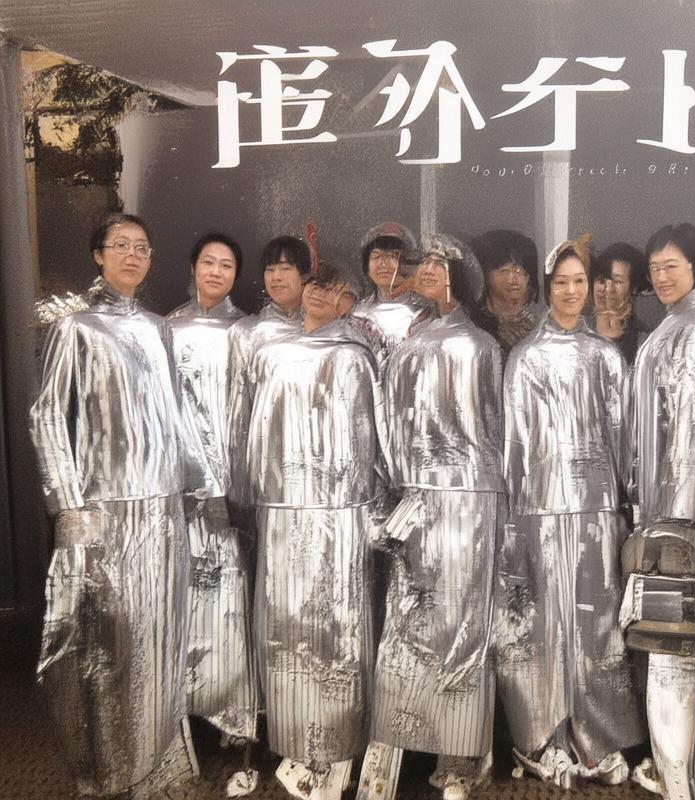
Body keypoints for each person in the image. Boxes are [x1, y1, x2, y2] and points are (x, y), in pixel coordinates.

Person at [29, 211, 216, 797]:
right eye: (121, 245)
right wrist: (68, 506)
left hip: (165, 511)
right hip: (107, 512)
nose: (133, 256)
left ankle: (160, 766)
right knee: (111, 645)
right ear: (98, 254)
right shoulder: (75, 329)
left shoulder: (160, 328)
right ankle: (113, 771)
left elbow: (179, 415)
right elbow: (47, 416)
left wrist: (202, 488)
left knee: (164, 638)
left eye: (142, 247)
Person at [230, 260, 383, 800]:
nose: (322, 293)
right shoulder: (269, 353)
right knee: (286, 626)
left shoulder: (358, 357)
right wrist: (245, 494)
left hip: (341, 513)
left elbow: (375, 440)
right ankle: (294, 742)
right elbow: (248, 431)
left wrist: (373, 509)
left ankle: (340, 748)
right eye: (316, 283)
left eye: (335, 288)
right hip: (281, 511)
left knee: (338, 627)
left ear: (348, 302)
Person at [496, 234, 645, 789]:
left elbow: (624, 436)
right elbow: (514, 443)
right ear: (548, 287)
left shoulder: (606, 357)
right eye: (561, 282)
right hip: (538, 509)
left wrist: (627, 502)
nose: (571, 290)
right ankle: (545, 739)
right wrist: (513, 514)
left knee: (595, 626)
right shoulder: (525, 358)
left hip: (595, 512)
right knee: (543, 627)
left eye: (580, 281)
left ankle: (597, 739)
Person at [359, 234, 504, 800]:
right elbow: (387, 426)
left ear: (458, 274)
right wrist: (392, 494)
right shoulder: (404, 342)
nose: (426, 270)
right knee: (408, 621)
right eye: (423, 263)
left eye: (439, 264)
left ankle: (459, 759)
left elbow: (497, 430)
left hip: (471, 500)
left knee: (465, 625)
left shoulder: (482, 345)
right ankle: (395, 752)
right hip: (415, 498)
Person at [621, 222, 695, 800]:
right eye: (655, 267)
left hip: (676, 520)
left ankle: (680, 780)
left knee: (675, 649)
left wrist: (678, 521)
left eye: (673, 266)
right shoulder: (675, 325)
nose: (661, 276)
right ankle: (673, 772)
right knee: (663, 645)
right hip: (659, 512)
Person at [167, 233, 258, 757]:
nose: (217, 271)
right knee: (185, 593)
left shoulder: (246, 332)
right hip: (180, 490)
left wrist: (236, 484)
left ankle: (233, 713)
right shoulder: (167, 329)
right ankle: (182, 706)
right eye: (209, 261)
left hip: (230, 490)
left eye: (227, 264)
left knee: (229, 595)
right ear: (193, 267)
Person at [226, 235, 308, 512]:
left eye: (286, 268)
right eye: (270, 270)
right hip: (267, 470)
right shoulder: (246, 333)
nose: (276, 277)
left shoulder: (326, 331)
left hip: (315, 467)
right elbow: (238, 414)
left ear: (305, 275)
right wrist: (239, 484)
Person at [351, 221, 429, 367]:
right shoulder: (357, 313)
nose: (383, 263)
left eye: (393, 256)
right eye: (376, 256)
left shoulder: (424, 313)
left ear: (408, 264)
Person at [471, 228, 540, 357]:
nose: (514, 280)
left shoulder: (541, 326)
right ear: (485, 274)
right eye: (504, 271)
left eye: (522, 271)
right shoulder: (472, 328)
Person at [590, 241, 652, 365]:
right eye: (601, 280)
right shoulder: (575, 331)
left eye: (617, 282)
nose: (608, 289)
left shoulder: (645, 342)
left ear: (634, 288)